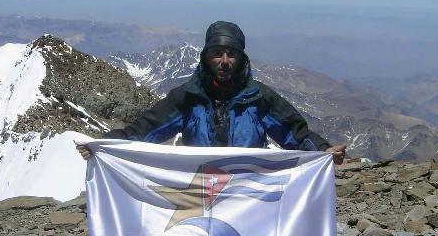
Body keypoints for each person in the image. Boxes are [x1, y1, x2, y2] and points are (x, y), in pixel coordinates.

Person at [77, 21, 346, 163]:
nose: (224, 60)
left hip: (246, 192)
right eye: (217, 53)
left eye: (231, 54)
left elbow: (294, 133)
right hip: (198, 191)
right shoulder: (187, 97)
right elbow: (146, 130)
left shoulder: (259, 98)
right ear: (206, 57)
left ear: (241, 59)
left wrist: (322, 151)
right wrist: (106, 145)